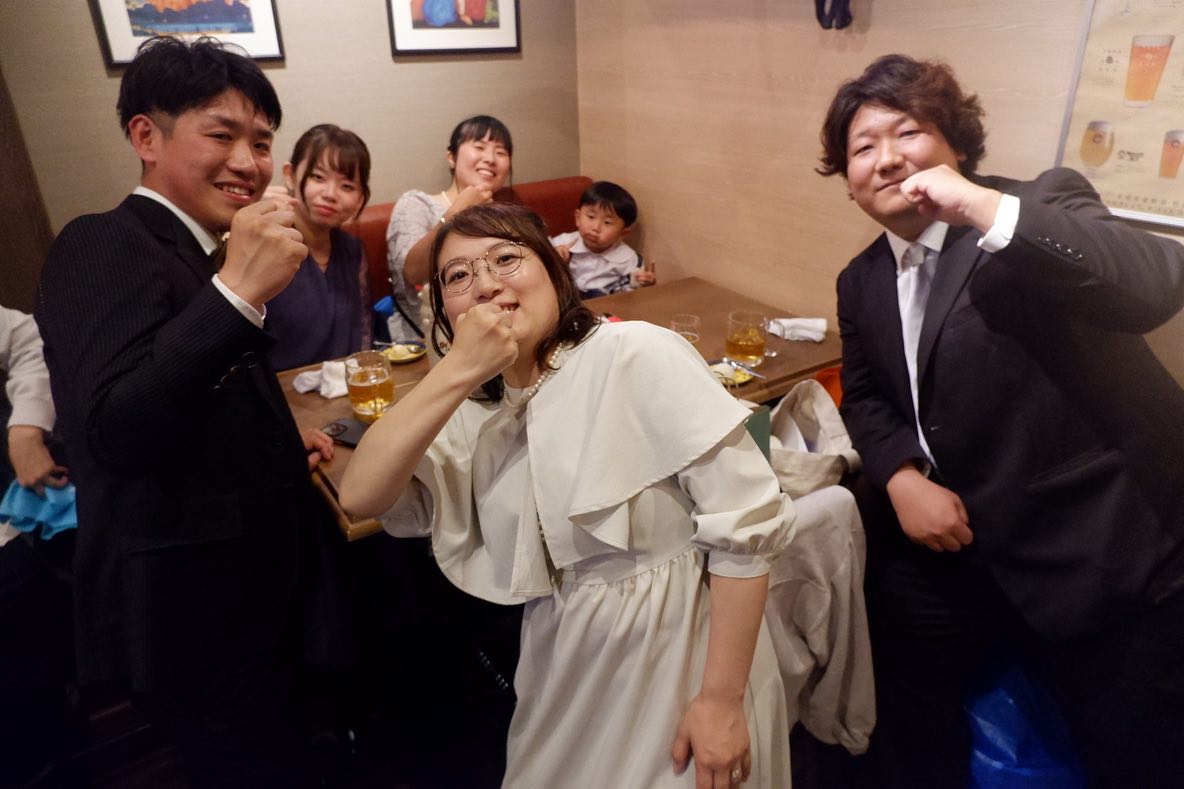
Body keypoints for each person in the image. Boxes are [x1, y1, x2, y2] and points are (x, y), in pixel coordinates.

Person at [819, 53, 1184, 788]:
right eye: (863, 148)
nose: (886, 159)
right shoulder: (861, 279)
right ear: (848, 178)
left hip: (1094, 548)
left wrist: (982, 208)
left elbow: (1154, 286)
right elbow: (865, 396)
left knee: (1136, 754)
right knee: (901, 706)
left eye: (908, 133)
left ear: (955, 144)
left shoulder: (1035, 205)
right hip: (954, 547)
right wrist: (899, 477)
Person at [341, 203, 794, 787]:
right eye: (458, 276)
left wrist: (721, 702)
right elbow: (361, 495)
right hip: (564, 660)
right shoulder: (471, 411)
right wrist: (456, 371)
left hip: (682, 651)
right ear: (445, 312)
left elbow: (746, 528)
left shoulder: (634, 352)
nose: (486, 284)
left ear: (554, 273)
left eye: (506, 258)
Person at [36, 36, 339, 788]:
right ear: (146, 136)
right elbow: (112, 427)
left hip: (250, 600)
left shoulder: (203, 251)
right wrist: (238, 293)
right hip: (192, 615)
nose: (248, 162)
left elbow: (192, 391)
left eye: (261, 142)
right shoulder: (102, 242)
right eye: (221, 134)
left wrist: (275, 441)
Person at [385, 114, 512, 341]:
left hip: (502, 332)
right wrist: (457, 211)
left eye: (500, 152)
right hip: (430, 340)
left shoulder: (508, 214)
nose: (490, 158)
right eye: (479, 147)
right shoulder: (416, 204)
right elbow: (413, 274)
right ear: (451, 157)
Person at [264, 124, 373, 370]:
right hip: (280, 389)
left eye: (347, 186)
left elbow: (364, 332)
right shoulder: (266, 242)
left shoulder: (353, 250)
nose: (330, 194)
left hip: (346, 384)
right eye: (318, 177)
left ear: (360, 199)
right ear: (290, 175)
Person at [551, 180, 656, 299]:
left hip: (604, 305)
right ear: (578, 218)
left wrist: (645, 285)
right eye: (591, 217)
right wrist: (552, 259)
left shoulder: (629, 260)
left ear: (623, 233)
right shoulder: (562, 243)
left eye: (607, 222)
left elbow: (631, 296)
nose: (596, 227)